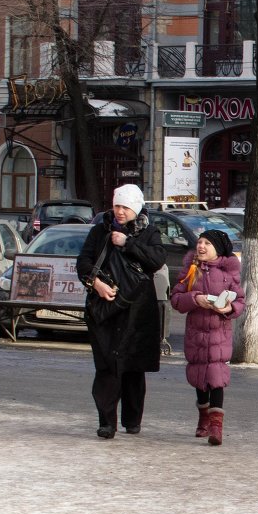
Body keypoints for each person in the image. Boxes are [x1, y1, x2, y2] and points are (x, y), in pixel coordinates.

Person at [76, 184, 166, 439]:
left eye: (125, 207)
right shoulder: (99, 231)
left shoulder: (148, 232)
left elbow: (157, 260)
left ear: (135, 208)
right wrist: (97, 284)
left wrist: (128, 243)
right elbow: (83, 262)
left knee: (133, 366)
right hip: (104, 308)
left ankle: (132, 419)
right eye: (117, 205)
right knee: (107, 365)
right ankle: (107, 422)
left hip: (137, 308)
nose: (120, 211)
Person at [169, 229, 245, 446]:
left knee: (216, 377)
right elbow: (176, 298)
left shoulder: (228, 272)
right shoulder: (192, 270)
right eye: (199, 242)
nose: (201, 246)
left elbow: (240, 301)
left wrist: (229, 308)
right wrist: (195, 299)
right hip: (196, 335)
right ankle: (203, 417)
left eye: (207, 244)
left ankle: (216, 427)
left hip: (219, 334)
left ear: (218, 250)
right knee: (199, 379)